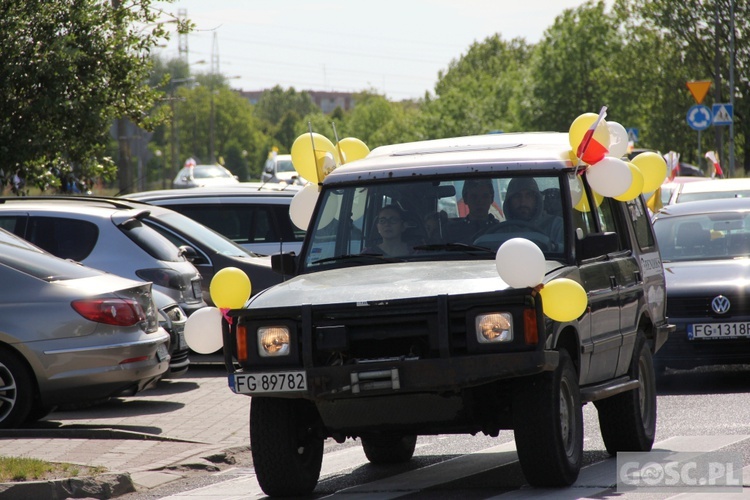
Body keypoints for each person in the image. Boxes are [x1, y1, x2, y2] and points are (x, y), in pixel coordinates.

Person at [500, 177, 564, 248]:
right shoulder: (500, 231)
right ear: (509, 201)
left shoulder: (556, 227)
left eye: (529, 195)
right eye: (517, 196)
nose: (523, 202)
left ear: (536, 199)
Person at [450, 179, 501, 243]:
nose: (480, 202)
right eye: (474, 197)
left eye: (485, 196)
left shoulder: (500, 230)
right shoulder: (454, 231)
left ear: (491, 199)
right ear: (465, 199)